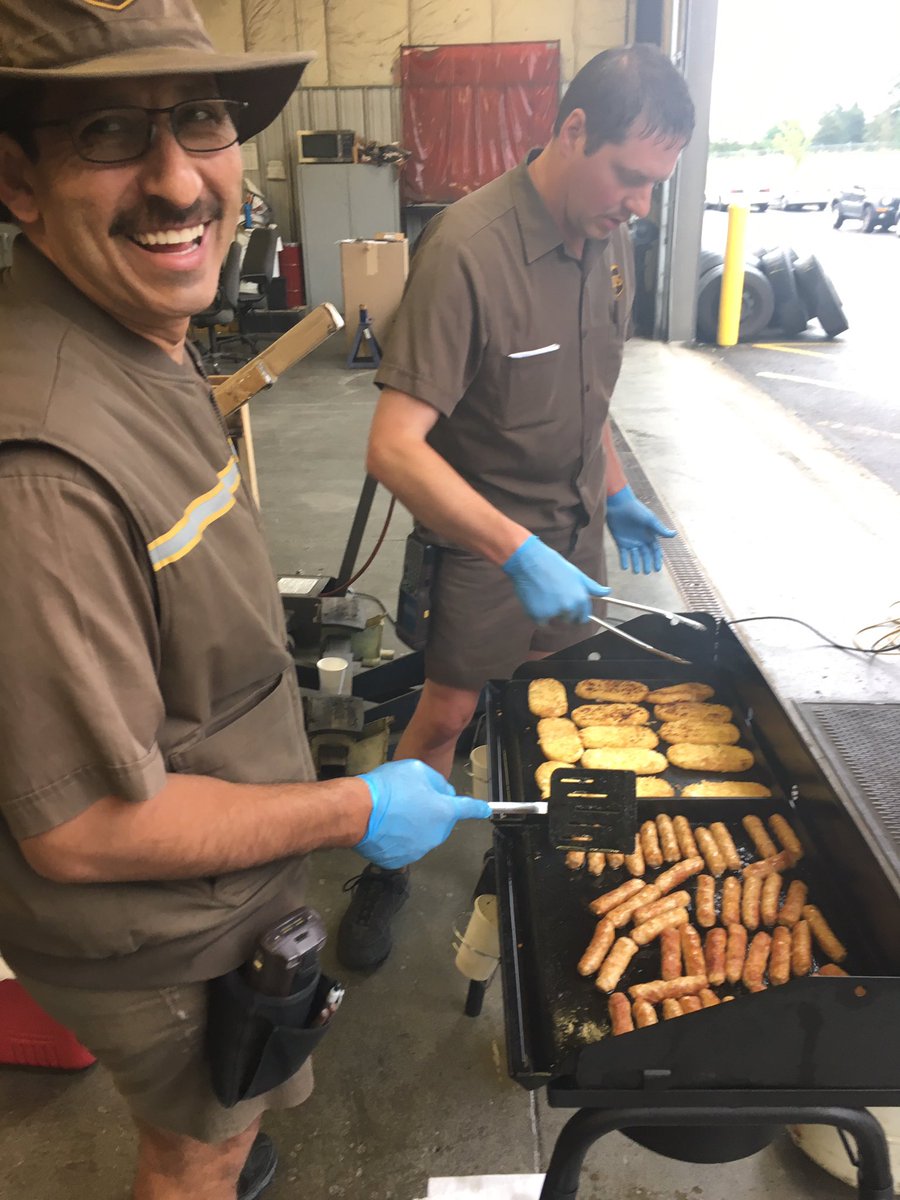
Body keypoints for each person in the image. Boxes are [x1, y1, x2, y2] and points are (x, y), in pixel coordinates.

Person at [0, 1, 489, 1197]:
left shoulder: (141, 334)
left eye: (202, 118)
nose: (178, 181)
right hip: (160, 928)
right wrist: (351, 806)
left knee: (229, 1114)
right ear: (17, 182)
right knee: (198, 1149)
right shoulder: (38, 473)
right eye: (108, 133)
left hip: (225, 874)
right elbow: (81, 831)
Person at [337, 44, 695, 970]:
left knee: (564, 714)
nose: (640, 205)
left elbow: (589, 394)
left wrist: (615, 492)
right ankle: (386, 867)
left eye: (656, 187)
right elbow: (393, 447)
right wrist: (515, 550)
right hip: (483, 545)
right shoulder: (468, 250)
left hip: (576, 535)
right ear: (573, 130)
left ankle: (536, 859)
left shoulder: (610, 238)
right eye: (629, 176)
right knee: (447, 716)